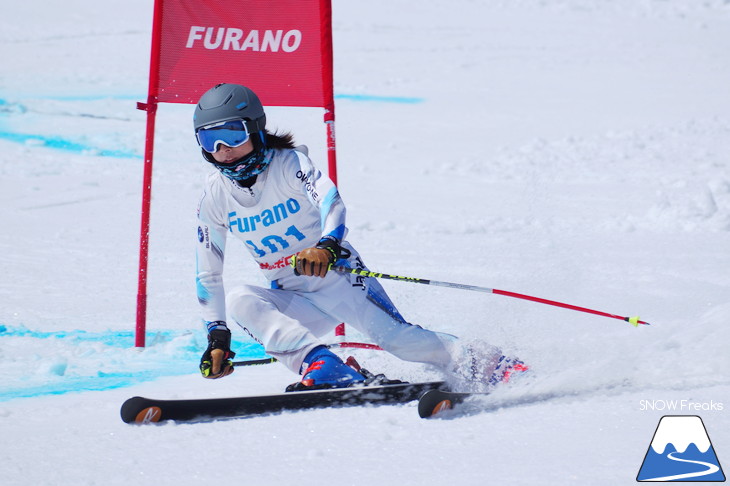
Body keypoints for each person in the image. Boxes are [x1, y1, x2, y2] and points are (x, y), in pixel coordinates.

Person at [193, 83, 525, 391]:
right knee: (241, 299)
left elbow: (330, 201)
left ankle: (494, 364)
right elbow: (208, 273)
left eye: (231, 136)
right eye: (210, 142)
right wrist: (218, 338)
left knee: (399, 341)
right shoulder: (215, 196)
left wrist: (327, 246)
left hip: (339, 282)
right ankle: (323, 365)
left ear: (254, 128)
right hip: (298, 298)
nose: (223, 150)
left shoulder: (288, 164)